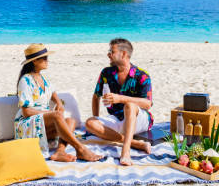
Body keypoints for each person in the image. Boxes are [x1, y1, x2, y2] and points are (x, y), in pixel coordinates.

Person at [14, 44, 101, 162]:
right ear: (34, 61)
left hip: (40, 125)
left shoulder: (44, 79)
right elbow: (26, 112)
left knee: (71, 121)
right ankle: (80, 149)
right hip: (27, 126)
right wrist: (50, 113)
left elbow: (54, 94)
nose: (47, 60)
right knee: (57, 115)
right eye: (44, 58)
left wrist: (59, 104)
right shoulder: (25, 80)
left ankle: (60, 151)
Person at [85, 38, 153, 166]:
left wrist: (120, 98)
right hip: (118, 118)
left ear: (123, 54)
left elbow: (147, 104)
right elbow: (96, 96)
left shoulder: (142, 75)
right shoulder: (107, 73)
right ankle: (136, 143)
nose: (108, 54)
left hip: (140, 120)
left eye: (112, 51)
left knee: (130, 106)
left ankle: (126, 151)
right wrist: (97, 117)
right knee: (90, 123)